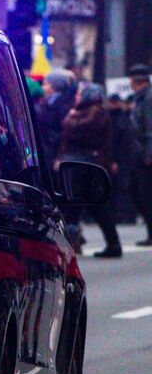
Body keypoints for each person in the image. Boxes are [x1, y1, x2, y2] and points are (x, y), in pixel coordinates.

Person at [59, 81, 123, 258]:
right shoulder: (81, 111)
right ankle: (76, 241)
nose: (77, 96)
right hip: (79, 163)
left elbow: (78, 130)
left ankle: (112, 243)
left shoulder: (97, 113)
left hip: (90, 164)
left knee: (93, 205)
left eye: (80, 93)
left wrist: (72, 117)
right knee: (78, 205)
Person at [129, 65, 152, 245]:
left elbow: (149, 129)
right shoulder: (140, 98)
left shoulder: (148, 98)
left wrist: (149, 153)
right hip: (140, 152)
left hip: (146, 154)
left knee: (146, 194)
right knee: (139, 192)